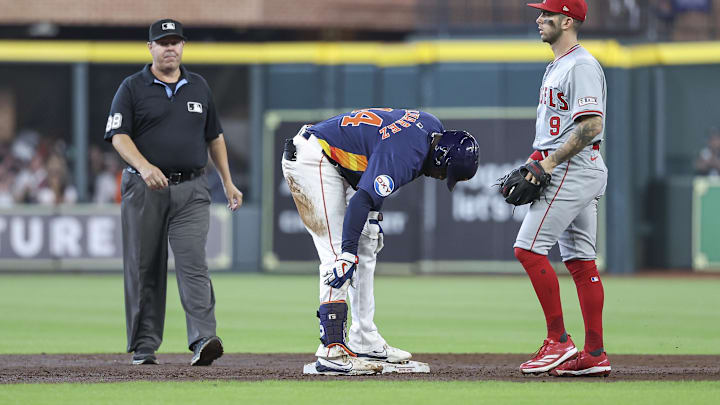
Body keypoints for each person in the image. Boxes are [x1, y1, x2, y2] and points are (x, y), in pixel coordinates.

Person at [281, 108, 479, 375]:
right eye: (447, 172)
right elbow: (364, 197)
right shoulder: (409, 154)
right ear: (441, 157)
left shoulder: (430, 127)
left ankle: (364, 338)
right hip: (315, 157)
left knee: (367, 242)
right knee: (338, 254)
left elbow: (376, 159)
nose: (442, 177)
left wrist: (369, 223)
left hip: (340, 164)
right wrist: (348, 254)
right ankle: (331, 351)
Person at [104, 18, 243, 366]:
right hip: (144, 187)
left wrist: (227, 180)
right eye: (162, 42)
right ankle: (144, 346)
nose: (170, 48)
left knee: (194, 263)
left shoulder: (198, 86)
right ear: (150, 47)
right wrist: (144, 166)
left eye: (175, 41)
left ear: (183, 46)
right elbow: (119, 136)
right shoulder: (132, 87)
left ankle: (203, 339)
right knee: (145, 266)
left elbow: (215, 137)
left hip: (192, 188)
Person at [511, 0, 611, 377]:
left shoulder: (581, 64)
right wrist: (536, 159)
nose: (539, 19)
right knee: (581, 262)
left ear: (567, 20)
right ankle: (595, 353)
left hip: (572, 167)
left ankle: (559, 341)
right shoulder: (560, 64)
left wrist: (548, 164)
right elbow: (557, 129)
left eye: (546, 14)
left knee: (528, 250)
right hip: (572, 165)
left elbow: (590, 127)